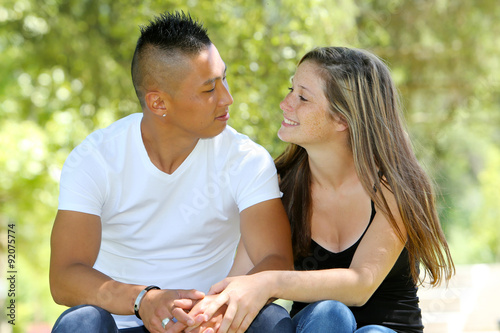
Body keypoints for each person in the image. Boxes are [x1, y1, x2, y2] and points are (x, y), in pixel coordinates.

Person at [49, 11, 294, 333]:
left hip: (212, 325)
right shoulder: (95, 159)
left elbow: (276, 259)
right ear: (158, 103)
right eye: (209, 90)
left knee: (272, 320)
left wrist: (223, 305)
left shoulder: (246, 159)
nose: (227, 98)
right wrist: (144, 300)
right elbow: (64, 276)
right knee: (80, 323)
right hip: (124, 323)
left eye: (224, 79)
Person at [183, 46, 455, 333]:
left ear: (342, 119)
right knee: (323, 315)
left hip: (386, 329)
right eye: (291, 90)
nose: (285, 103)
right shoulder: (278, 186)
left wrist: (270, 281)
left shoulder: (395, 187)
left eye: (302, 97)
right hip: (319, 327)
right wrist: (199, 316)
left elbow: (361, 284)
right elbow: (243, 275)